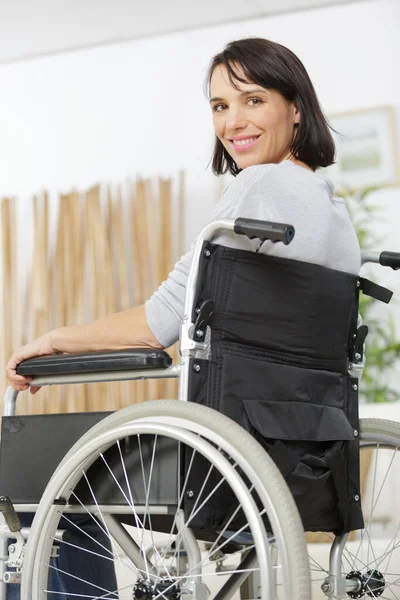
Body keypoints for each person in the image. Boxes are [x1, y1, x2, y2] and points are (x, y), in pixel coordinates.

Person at [5, 37, 360, 598]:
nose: (233, 121)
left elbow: (160, 325)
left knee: (41, 478)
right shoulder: (333, 211)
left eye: (252, 100)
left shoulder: (258, 187)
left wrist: (56, 340)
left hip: (225, 447)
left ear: (295, 107)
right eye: (220, 106)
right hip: (302, 448)